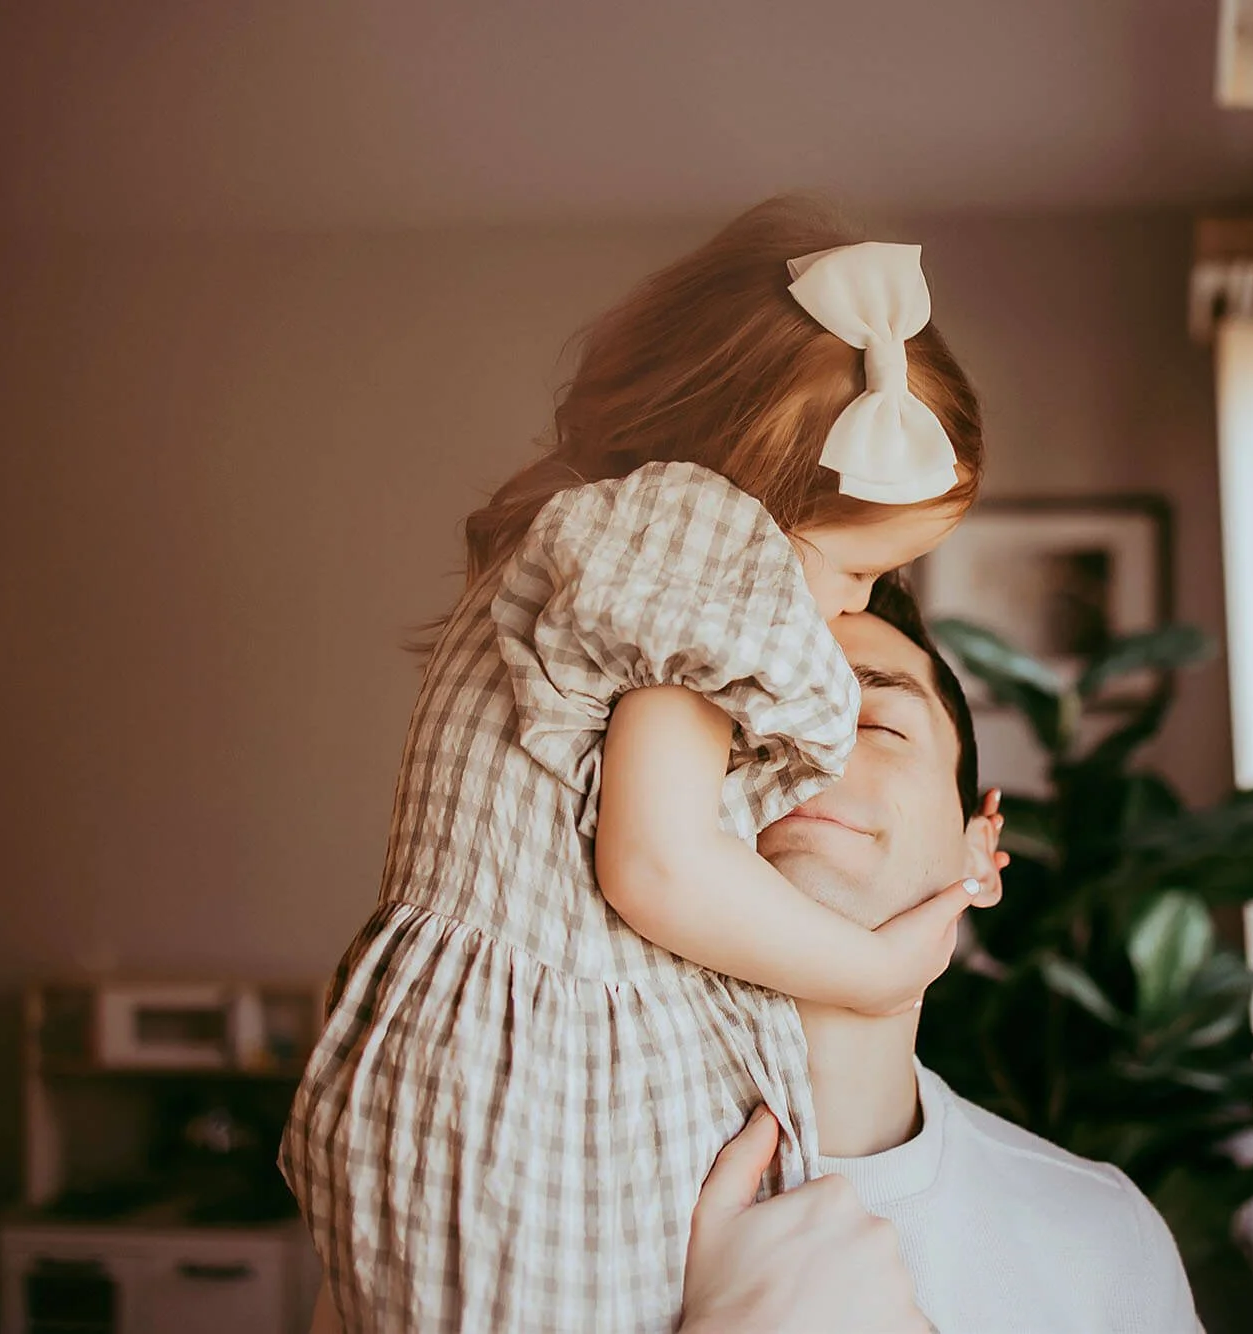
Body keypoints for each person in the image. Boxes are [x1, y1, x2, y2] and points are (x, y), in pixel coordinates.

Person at [279, 196, 1004, 1333]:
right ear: (759, 499)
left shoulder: (623, 539)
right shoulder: (699, 542)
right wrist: (866, 972)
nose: (850, 609)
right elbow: (659, 868)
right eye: (849, 568)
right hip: (527, 1083)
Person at [308, 579, 1202, 1333]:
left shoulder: (1103, 1241)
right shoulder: (496, 1198)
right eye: (747, 717)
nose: (806, 751)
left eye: (875, 723)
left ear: (982, 848)